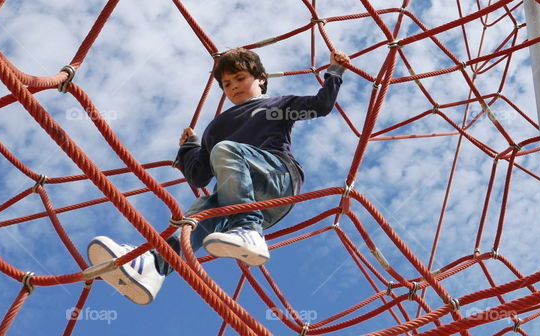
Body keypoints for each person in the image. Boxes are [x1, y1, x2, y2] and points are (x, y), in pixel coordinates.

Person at [86, 47, 351, 305]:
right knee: (197, 214)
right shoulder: (215, 129)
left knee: (226, 151)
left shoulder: (278, 105)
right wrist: (189, 147)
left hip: (277, 177)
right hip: (241, 198)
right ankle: (153, 267)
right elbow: (199, 176)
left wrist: (335, 71)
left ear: (261, 80)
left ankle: (249, 229)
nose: (233, 86)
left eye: (240, 78)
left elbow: (321, 105)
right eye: (226, 84)